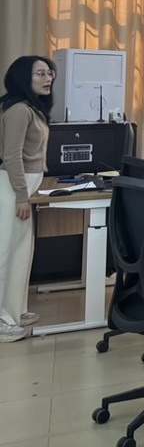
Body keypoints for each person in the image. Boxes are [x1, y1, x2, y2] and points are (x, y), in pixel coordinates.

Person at [0, 56, 56, 342]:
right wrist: (22, 196)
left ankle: (14, 310)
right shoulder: (19, 110)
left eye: (49, 73)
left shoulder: (30, 108)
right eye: (40, 74)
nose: (48, 78)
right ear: (23, 77)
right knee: (5, 254)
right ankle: (1, 320)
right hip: (11, 189)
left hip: (22, 188)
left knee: (21, 252)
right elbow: (12, 156)